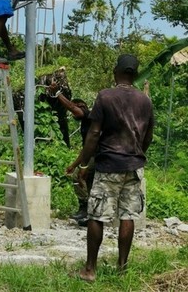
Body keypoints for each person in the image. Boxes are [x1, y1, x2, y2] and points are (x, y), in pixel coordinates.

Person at [78, 54, 154, 282]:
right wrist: (136, 154)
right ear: (135, 74)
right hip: (133, 166)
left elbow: (93, 134)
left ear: (116, 71)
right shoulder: (145, 101)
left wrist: (83, 163)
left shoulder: (105, 96)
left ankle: (90, 269)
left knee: (97, 215)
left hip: (108, 165)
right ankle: (122, 267)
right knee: (127, 216)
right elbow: (148, 137)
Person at [48, 83, 95, 226]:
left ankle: (85, 208)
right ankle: (90, 213)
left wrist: (57, 94)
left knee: (78, 177)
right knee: (87, 181)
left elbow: (76, 110)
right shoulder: (86, 124)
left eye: (73, 110)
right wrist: (74, 165)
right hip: (94, 154)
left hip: (101, 155)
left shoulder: (90, 115)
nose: (73, 114)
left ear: (82, 106)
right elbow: (86, 149)